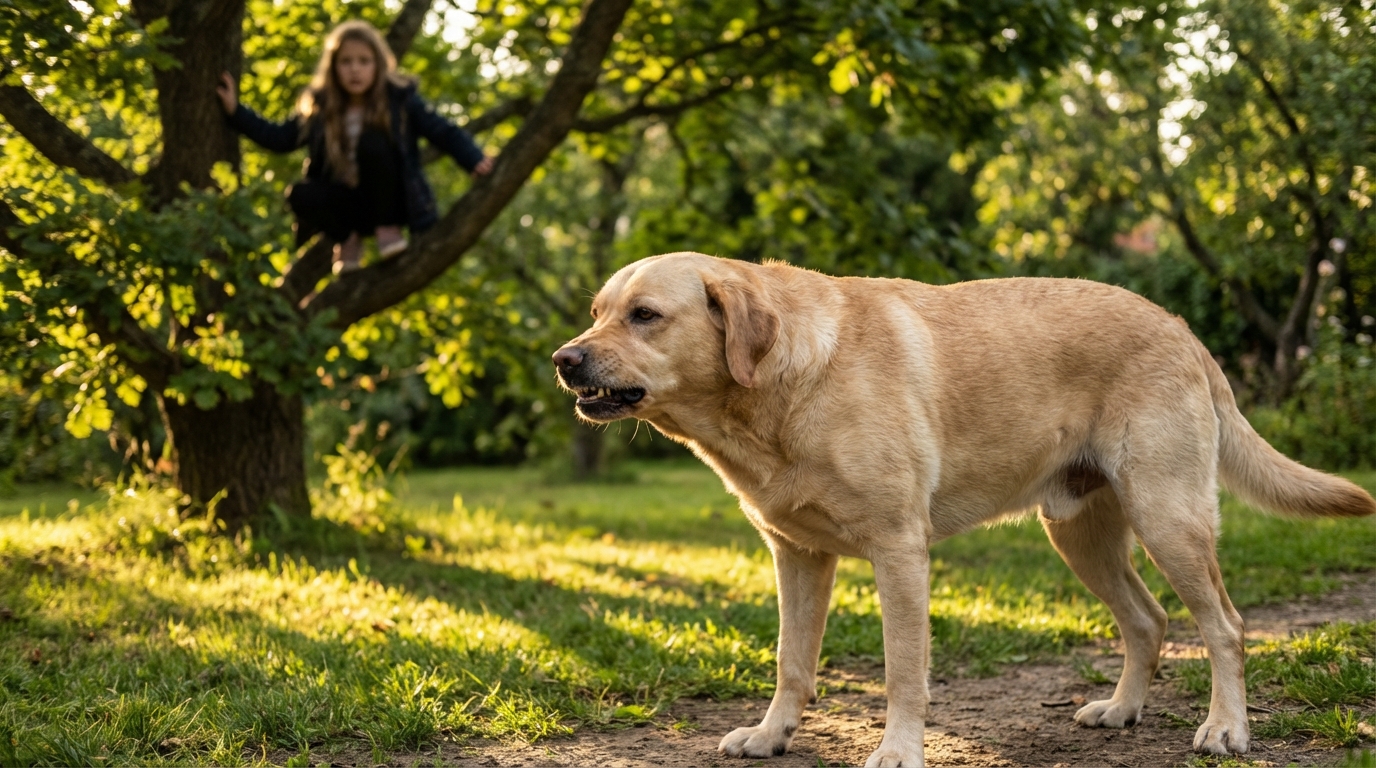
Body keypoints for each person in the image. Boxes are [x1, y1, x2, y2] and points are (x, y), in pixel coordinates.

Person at [215, 20, 494, 273]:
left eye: (364, 61)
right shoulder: (320, 107)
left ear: (378, 65)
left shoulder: (399, 100)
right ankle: (347, 238)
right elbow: (279, 138)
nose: (355, 69)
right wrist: (236, 112)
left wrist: (474, 159)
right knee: (299, 194)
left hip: (392, 201)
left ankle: (388, 229)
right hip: (350, 206)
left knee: (373, 143)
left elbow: (442, 131)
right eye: (346, 62)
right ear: (334, 68)